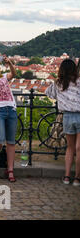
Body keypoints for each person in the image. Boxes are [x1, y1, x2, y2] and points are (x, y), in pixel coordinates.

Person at [45, 59, 80, 187]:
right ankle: (77, 178)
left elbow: (48, 93)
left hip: (67, 117)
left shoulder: (59, 83)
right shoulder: (79, 81)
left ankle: (66, 176)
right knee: (79, 149)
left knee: (70, 148)